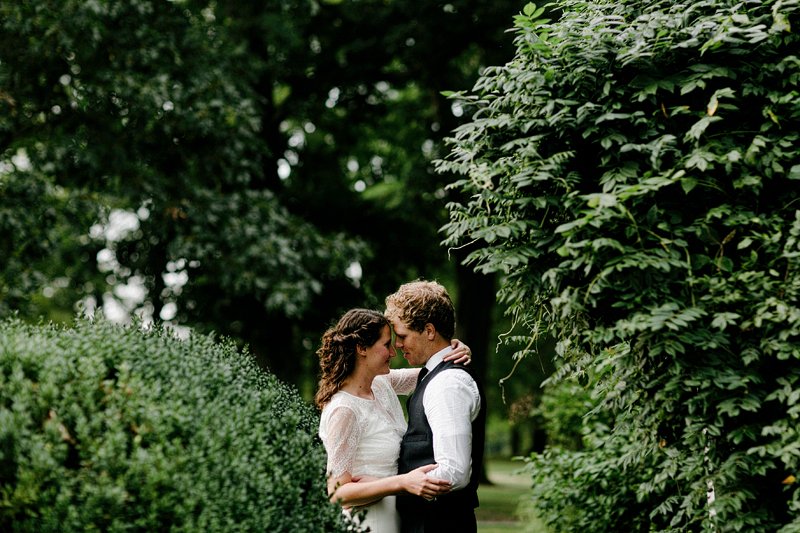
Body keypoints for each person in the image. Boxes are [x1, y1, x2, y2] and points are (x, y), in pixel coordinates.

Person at [315, 308, 472, 533]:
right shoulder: (344, 410)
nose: (393, 352)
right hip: (370, 522)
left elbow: (435, 373)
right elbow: (337, 493)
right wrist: (401, 482)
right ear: (361, 348)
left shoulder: (382, 384)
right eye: (386, 344)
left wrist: (456, 349)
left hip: (400, 516)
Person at [384, 280, 487, 533]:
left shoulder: (448, 384)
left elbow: (454, 471)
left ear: (429, 331)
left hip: (440, 524)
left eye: (402, 335)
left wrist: (392, 485)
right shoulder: (432, 375)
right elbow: (370, 380)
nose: (397, 345)